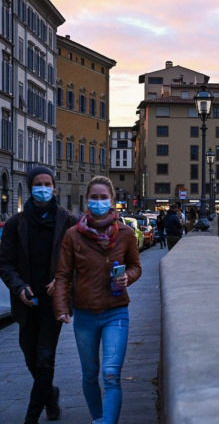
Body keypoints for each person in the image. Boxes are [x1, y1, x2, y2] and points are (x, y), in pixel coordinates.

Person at [54, 176, 142, 424]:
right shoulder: (73, 235)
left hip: (116, 312)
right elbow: (62, 274)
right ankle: (98, 418)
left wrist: (128, 277)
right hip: (84, 315)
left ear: (112, 201)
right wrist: (61, 308)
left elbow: (136, 266)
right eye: (95, 197)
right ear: (87, 200)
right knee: (90, 374)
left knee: (111, 374)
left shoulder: (125, 234)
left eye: (104, 198)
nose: (99, 202)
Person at [0, 166, 76, 424]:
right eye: (38, 183)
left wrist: (63, 280)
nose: (43, 188)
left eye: (47, 183)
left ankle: (31, 417)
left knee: (45, 357)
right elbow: (5, 263)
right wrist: (19, 286)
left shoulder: (67, 221)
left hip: (53, 301)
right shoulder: (15, 223)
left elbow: (80, 260)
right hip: (26, 300)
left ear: (54, 187)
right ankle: (50, 395)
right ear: (31, 187)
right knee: (30, 357)